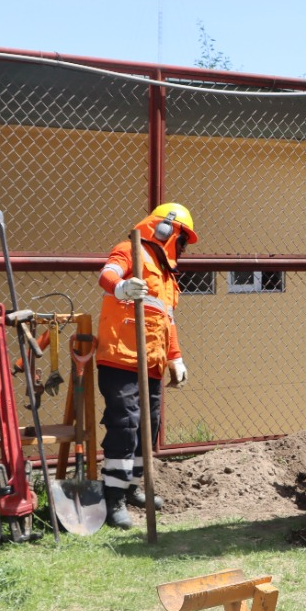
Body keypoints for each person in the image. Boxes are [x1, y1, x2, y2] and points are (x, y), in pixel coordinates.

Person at [95, 203, 196, 528]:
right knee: (125, 425)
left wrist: (175, 358)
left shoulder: (166, 275)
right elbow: (107, 274)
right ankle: (113, 500)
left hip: (151, 364)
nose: (182, 248)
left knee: (147, 427)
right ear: (167, 230)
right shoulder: (130, 251)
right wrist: (121, 287)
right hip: (121, 358)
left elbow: (167, 321)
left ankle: (132, 486)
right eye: (183, 239)